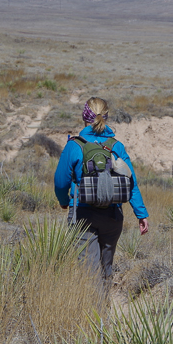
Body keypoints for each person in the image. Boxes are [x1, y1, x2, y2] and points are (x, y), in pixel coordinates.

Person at [54, 97, 149, 281]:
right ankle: (103, 307)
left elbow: (60, 182)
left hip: (82, 214)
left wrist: (64, 202)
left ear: (84, 116)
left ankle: (92, 308)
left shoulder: (74, 145)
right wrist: (141, 214)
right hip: (112, 215)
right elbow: (131, 182)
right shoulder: (116, 146)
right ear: (106, 116)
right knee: (106, 268)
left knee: (88, 271)